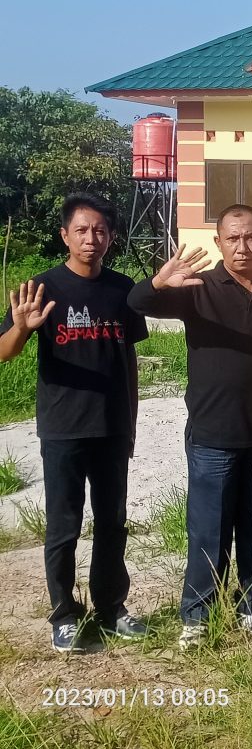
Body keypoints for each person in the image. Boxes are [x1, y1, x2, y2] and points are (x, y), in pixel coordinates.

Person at [128, 204, 252, 650]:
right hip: (212, 435)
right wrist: (156, 282)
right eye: (233, 238)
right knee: (209, 528)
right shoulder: (197, 288)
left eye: (251, 238)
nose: (242, 246)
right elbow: (136, 304)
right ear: (219, 242)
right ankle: (198, 616)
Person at [0, 193, 149, 653]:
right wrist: (22, 326)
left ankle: (110, 607)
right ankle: (64, 613)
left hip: (111, 428)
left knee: (112, 522)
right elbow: (4, 351)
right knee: (64, 526)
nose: (92, 238)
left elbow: (130, 362)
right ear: (65, 235)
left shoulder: (124, 290)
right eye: (82, 230)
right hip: (63, 428)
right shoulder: (41, 288)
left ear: (111, 236)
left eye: (100, 230)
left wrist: (130, 422)